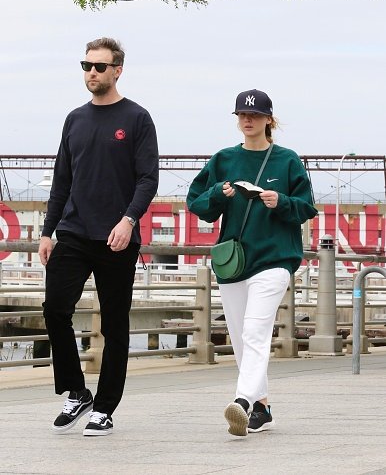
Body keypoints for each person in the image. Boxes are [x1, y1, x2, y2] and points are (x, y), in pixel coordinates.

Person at [39, 37, 159, 437]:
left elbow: (148, 179)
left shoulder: (138, 118)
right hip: (72, 233)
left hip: (116, 238)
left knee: (114, 325)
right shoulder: (74, 119)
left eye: (100, 66)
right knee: (55, 308)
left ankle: (105, 407)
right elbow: (62, 180)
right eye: (86, 65)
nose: (92, 72)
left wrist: (128, 220)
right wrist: (46, 232)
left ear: (117, 70)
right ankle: (77, 391)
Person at [187, 89, 317, 437]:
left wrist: (281, 201)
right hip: (234, 262)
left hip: (275, 260)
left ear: (268, 120)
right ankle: (262, 408)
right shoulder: (223, 159)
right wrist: (218, 193)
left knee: (255, 331)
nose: (248, 120)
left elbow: (306, 207)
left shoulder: (287, 160)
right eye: (242, 115)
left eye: (255, 115)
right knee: (242, 339)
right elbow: (197, 205)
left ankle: (242, 402)